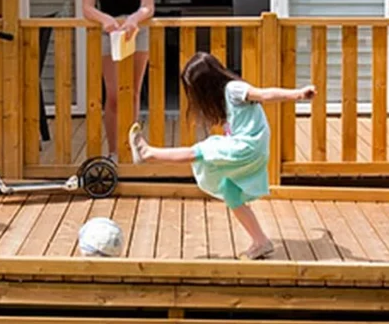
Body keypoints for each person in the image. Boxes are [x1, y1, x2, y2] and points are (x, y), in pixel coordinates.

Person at [128, 52, 316, 260]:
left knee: (198, 151)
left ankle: (148, 153)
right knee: (231, 192)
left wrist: (298, 94)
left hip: (247, 146)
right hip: (252, 148)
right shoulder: (225, 98)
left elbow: (265, 94)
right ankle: (261, 241)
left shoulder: (233, 88)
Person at [82, 0, 155, 161]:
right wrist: (105, 20)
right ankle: (114, 151)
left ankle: (132, 148)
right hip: (109, 33)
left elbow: (148, 6)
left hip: (136, 31)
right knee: (113, 94)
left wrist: (135, 19)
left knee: (133, 92)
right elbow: (87, 7)